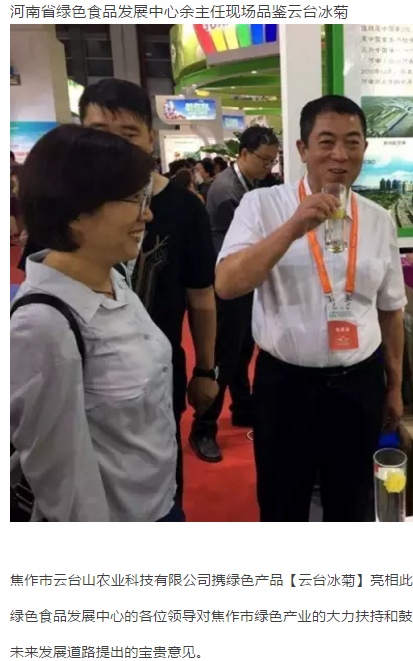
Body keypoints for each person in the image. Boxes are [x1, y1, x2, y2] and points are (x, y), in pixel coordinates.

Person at [215, 95, 407, 522]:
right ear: (302, 149)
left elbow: (391, 310)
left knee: (352, 505)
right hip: (286, 387)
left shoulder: (378, 220)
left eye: (352, 142)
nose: (340, 155)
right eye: (326, 141)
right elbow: (227, 284)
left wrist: (394, 386)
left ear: (364, 149)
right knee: (282, 504)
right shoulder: (262, 206)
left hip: (359, 385)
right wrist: (293, 227)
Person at [10, 124, 181, 522]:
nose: (147, 214)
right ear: (76, 213)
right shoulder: (43, 325)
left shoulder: (114, 278)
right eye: (134, 200)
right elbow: (63, 481)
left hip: (160, 500)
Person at [79, 79, 219, 507]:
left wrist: (206, 371)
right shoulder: (66, 203)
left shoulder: (185, 207)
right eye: (99, 132)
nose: (114, 147)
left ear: (150, 138)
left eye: (128, 134)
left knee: (161, 484)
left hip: (157, 374)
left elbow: (201, 297)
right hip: (79, 377)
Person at [189, 127, 280, 463]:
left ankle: (242, 407)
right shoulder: (227, 191)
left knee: (243, 350)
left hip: (245, 283)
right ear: (243, 154)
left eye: (272, 161)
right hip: (226, 285)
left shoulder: (253, 184)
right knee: (224, 357)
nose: (268, 167)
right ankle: (203, 427)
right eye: (264, 160)